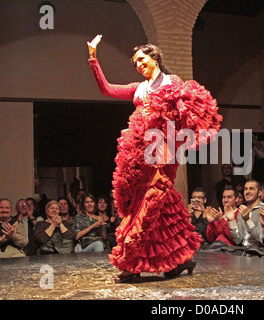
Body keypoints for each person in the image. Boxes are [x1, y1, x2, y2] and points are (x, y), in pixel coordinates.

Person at [87, 34, 222, 282]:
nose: (138, 65)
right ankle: (179, 260)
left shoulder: (172, 82)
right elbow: (106, 88)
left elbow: (187, 115)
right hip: (139, 153)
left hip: (162, 152)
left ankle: (132, 264)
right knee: (158, 205)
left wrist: (176, 143)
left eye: (141, 59)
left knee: (149, 201)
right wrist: (93, 58)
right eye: (135, 62)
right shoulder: (138, 88)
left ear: (154, 57)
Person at [228, 179, 264, 247]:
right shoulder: (242, 210)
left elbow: (260, 238)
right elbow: (238, 240)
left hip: (259, 252)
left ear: (259, 193)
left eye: (251, 189)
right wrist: (232, 221)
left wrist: (248, 220)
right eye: (245, 189)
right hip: (243, 251)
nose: (247, 192)